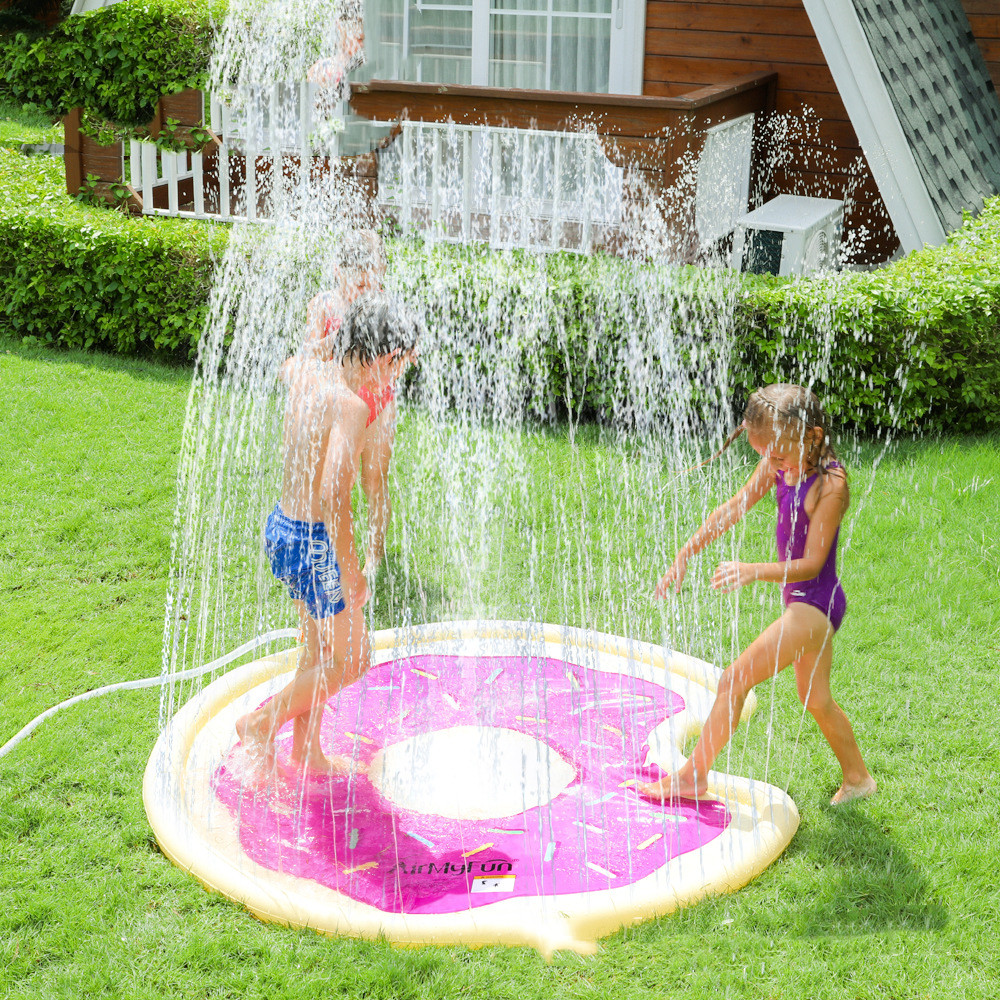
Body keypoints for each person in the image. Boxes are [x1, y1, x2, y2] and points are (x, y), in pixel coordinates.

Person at [638, 383, 877, 807]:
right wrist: (685, 553)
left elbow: (812, 564)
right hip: (802, 602)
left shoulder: (829, 486)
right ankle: (858, 778)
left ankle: (692, 777)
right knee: (816, 699)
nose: (771, 464)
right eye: (765, 455)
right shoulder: (780, 463)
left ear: (813, 437)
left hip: (815, 604)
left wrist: (752, 571)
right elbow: (734, 508)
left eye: (778, 456)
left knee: (734, 679)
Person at [236, 291, 419, 775]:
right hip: (314, 542)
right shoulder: (350, 406)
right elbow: (336, 494)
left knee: (319, 649)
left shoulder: (307, 374)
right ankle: (261, 724)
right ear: (385, 358)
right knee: (354, 657)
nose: (397, 378)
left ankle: (306, 753)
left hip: (283, 528)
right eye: (400, 367)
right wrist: (351, 572)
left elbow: (289, 364)